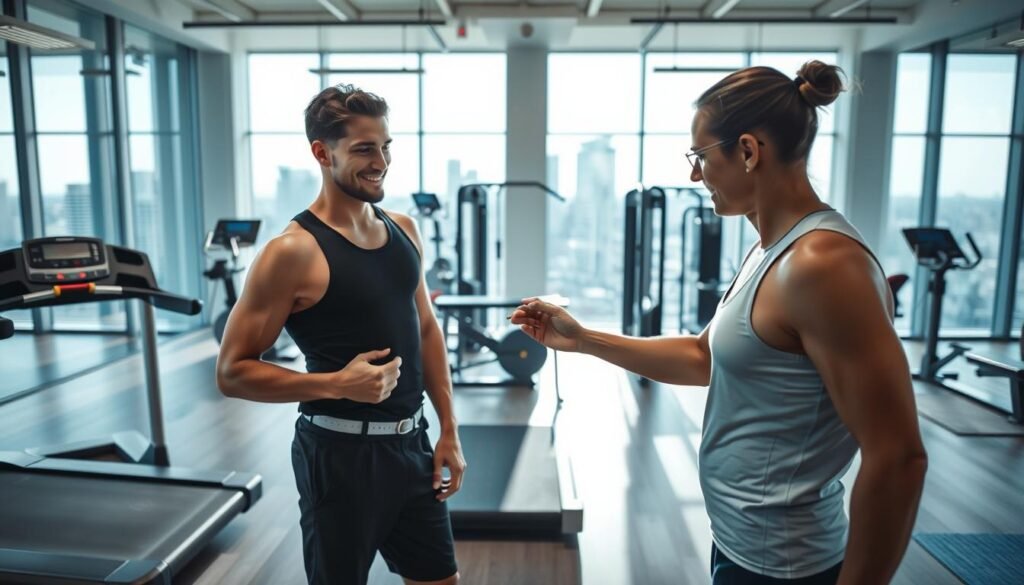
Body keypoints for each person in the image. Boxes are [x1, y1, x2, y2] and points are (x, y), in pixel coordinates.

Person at [512, 61, 927, 585]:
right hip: (740, 544)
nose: (695, 175)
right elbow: (702, 356)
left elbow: (898, 457)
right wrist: (584, 339)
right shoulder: (771, 250)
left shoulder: (823, 265)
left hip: (786, 567)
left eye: (700, 157)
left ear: (748, 151)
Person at [216, 84, 464, 585]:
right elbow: (232, 372)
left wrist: (449, 430)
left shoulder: (404, 229)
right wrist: (335, 384)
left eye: (386, 146)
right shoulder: (291, 252)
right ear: (322, 153)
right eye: (365, 149)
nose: (382, 162)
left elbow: (425, 328)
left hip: (413, 445)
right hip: (339, 458)